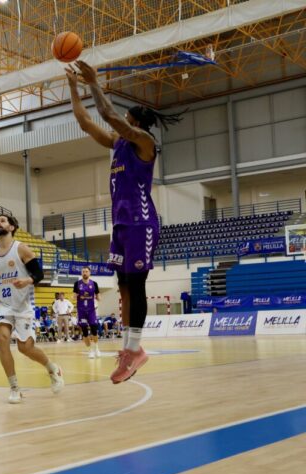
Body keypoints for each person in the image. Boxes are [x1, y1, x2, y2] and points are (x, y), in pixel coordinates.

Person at [67, 61, 182, 383]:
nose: (121, 124)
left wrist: (93, 83)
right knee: (123, 287)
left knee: (137, 285)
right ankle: (130, 350)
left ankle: (135, 350)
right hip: (120, 226)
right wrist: (75, 87)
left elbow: (108, 115)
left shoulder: (144, 143)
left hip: (141, 224)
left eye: (127, 120)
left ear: (136, 123)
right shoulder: (118, 145)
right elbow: (85, 120)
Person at [0, 215, 64, 403]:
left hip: (23, 305)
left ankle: (53, 368)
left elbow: (39, 273)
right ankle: (14, 387)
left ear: (11, 227)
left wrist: (27, 280)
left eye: (2, 220)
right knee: (2, 339)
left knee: (25, 348)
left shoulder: (21, 249)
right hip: (2, 304)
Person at [73, 267, 101, 359]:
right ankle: (90, 350)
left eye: (86, 271)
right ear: (81, 273)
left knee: (94, 329)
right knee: (84, 331)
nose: (85, 273)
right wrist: (76, 296)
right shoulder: (77, 284)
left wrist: (98, 301)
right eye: (83, 271)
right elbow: (74, 296)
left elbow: (98, 296)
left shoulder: (94, 284)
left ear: (90, 273)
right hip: (81, 311)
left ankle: (96, 348)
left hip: (91, 310)